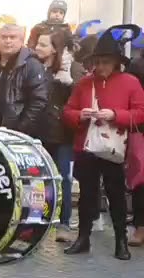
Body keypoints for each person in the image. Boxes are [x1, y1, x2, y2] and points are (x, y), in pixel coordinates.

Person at [61, 25, 144, 261]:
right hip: (86, 145)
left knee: (116, 194)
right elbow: (68, 112)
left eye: (105, 62)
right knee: (87, 194)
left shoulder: (130, 82)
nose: (100, 67)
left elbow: (140, 113)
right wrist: (80, 115)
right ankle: (83, 238)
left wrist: (115, 115)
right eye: (97, 62)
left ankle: (120, 240)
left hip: (114, 147)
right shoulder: (85, 83)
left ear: (116, 62)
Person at [30, 24, 80, 243]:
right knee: (37, 178)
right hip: (36, 131)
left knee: (63, 178)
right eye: (37, 43)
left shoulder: (70, 69)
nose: (37, 48)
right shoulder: (32, 67)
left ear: (54, 48)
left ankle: (64, 223)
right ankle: (37, 220)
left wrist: (67, 80)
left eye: (43, 44)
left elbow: (78, 96)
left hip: (62, 133)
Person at [0, 23, 48, 138]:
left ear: (21, 41)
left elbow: (38, 101)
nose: (8, 41)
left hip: (14, 133)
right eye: (4, 37)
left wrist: (20, 129)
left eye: (12, 37)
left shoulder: (32, 65)